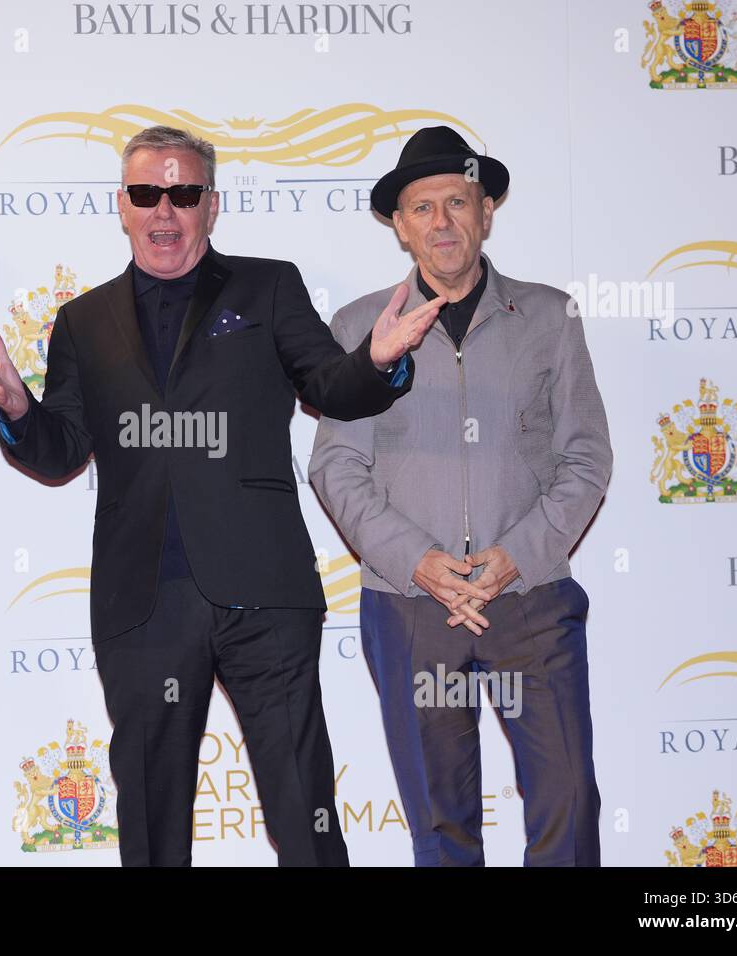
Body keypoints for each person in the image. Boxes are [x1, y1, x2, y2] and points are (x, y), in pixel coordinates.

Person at [0, 125, 442, 866]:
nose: (165, 211)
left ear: (212, 205)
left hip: (264, 594)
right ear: (123, 204)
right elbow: (62, 452)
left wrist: (375, 360)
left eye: (184, 194)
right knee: (152, 824)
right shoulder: (82, 321)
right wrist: (19, 410)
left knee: (302, 807)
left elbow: (328, 387)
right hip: (144, 603)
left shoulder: (269, 286)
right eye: (148, 193)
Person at [309, 126, 612, 866]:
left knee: (568, 806)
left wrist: (516, 556)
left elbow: (586, 457)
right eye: (421, 208)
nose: (441, 222)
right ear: (400, 227)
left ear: (485, 213)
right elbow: (335, 470)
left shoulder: (549, 317)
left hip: (530, 601)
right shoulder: (357, 327)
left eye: (456, 201)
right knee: (441, 828)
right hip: (411, 610)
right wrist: (420, 562)